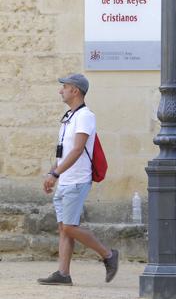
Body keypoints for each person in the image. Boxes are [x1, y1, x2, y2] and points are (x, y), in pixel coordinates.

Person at [37, 74, 119, 286]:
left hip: (77, 179)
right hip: (65, 179)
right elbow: (63, 153)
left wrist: (55, 174)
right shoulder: (68, 117)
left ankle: (109, 255)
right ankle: (63, 274)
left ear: (75, 90)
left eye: (64, 87)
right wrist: (52, 172)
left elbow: (78, 149)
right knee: (64, 227)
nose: (60, 90)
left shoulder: (85, 116)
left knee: (69, 227)